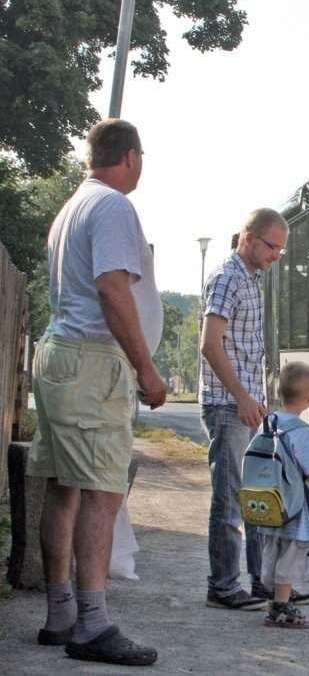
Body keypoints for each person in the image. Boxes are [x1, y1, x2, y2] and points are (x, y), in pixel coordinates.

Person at [26, 118, 167, 666]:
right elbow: (112, 287)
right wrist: (146, 369)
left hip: (59, 354)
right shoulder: (112, 206)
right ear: (130, 156)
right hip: (90, 363)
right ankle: (91, 623)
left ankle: (61, 613)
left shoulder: (70, 209)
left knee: (63, 487)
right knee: (103, 494)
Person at [200, 208, 309, 610]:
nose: (276, 256)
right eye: (272, 247)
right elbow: (211, 344)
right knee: (229, 500)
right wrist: (242, 397)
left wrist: (256, 398)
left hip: (247, 406)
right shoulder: (228, 277)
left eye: (281, 249)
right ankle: (223, 586)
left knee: (257, 499)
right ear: (248, 238)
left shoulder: (253, 278)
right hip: (228, 406)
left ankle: (262, 582)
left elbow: (245, 348)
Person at [260, 362, 309, 629]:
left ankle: (274, 599)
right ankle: (281, 607)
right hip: (295, 510)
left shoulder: (269, 422)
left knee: (273, 552)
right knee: (290, 556)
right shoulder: (303, 432)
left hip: (271, 504)